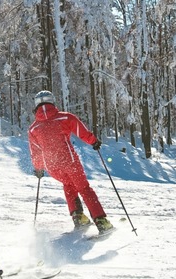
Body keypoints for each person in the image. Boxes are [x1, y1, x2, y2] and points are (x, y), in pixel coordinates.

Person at [28, 90, 113, 235]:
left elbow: (36, 152)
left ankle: (78, 217)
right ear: (52, 102)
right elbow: (81, 131)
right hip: (69, 162)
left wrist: (39, 168)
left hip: (52, 167)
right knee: (84, 188)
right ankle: (101, 221)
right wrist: (94, 141)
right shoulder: (64, 117)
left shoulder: (33, 128)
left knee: (68, 185)